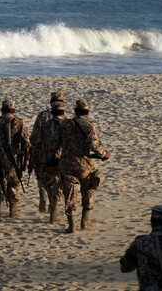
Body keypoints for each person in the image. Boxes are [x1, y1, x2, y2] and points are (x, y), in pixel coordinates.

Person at [54, 98, 111, 233]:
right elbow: (94, 145)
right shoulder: (88, 126)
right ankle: (85, 220)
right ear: (87, 111)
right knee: (88, 190)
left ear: (74, 111)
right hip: (83, 164)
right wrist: (104, 154)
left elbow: (56, 143)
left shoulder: (64, 124)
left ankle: (71, 225)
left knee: (69, 193)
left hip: (66, 163)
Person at [30, 95, 68, 223]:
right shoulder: (68, 120)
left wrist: (35, 153)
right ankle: (54, 209)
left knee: (45, 180)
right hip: (61, 158)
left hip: (44, 156)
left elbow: (35, 138)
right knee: (58, 183)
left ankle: (42, 189)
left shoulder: (43, 118)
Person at [0, 99, 31, 220]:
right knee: (13, 183)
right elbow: (26, 143)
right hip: (12, 158)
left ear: (2, 109)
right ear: (13, 110)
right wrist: (26, 160)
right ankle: (13, 211)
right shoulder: (19, 122)